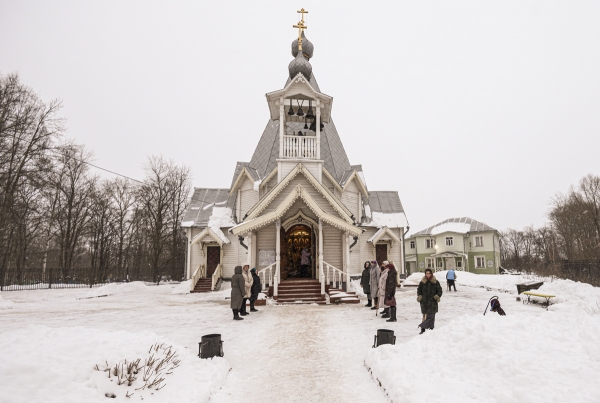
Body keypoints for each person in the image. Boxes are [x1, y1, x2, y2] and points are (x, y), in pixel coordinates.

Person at [417, 268, 443, 334]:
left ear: (431, 274)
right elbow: (419, 290)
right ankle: (423, 329)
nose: (428, 275)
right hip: (424, 302)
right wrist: (420, 296)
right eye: (427, 273)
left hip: (432, 302)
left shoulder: (435, 282)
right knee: (425, 316)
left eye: (429, 273)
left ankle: (431, 329)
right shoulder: (422, 282)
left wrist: (437, 296)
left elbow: (440, 290)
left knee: (431, 316)